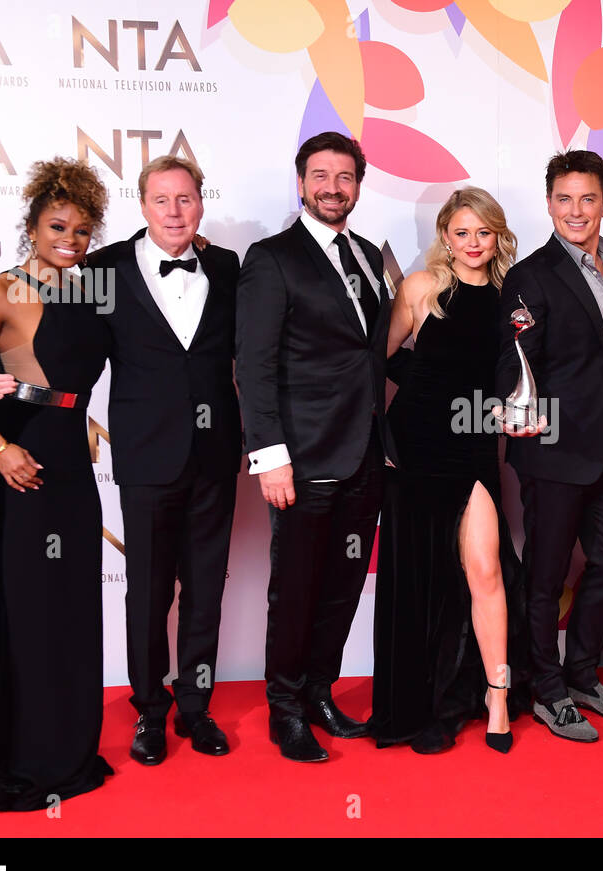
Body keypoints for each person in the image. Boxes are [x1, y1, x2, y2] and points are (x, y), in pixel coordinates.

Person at [0, 156, 242, 765]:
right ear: (142, 206)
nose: (174, 211)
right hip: (147, 453)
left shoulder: (229, 268)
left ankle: (196, 708)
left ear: (200, 203)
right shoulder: (103, 269)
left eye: (185, 199)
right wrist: (14, 382)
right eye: (161, 200)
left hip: (216, 452)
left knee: (205, 591)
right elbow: (55, 336)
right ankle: (150, 710)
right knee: (148, 592)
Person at [0, 157, 113, 810]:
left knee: (69, 603)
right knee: (27, 606)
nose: (69, 241)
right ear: (33, 225)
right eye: (56, 227)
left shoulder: (95, 289)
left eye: (81, 231)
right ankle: (21, 754)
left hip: (68, 453)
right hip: (19, 453)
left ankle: (66, 747)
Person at [236, 131, 396, 762]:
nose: (334, 187)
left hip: (365, 454)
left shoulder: (367, 255)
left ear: (358, 184)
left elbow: (373, 353)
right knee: (297, 587)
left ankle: (321, 692)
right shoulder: (271, 258)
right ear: (301, 182)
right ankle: (285, 709)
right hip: (301, 458)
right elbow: (254, 363)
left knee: (344, 582)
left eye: (346, 176)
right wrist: (269, 454)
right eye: (322, 176)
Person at [495, 150, 603, 743]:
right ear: (549, 204)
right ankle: (547, 688)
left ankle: (583, 673)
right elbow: (513, 357)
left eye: (588, 199)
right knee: (545, 575)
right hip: (554, 448)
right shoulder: (531, 275)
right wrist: (515, 408)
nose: (576, 211)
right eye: (564, 199)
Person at [371, 187, 530, 754]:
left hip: (473, 446)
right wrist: (420, 395)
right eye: (461, 233)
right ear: (445, 236)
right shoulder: (422, 288)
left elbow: (528, 370)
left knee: (484, 569)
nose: (472, 244)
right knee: (428, 578)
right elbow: (383, 359)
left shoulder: (514, 298)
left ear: (497, 236)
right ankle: (430, 704)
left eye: (483, 232)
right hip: (417, 443)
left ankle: (497, 696)